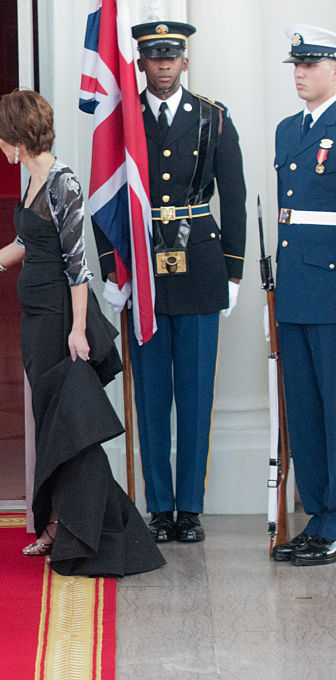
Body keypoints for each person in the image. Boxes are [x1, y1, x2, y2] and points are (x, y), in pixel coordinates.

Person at [0, 90, 164, 577]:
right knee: (53, 425)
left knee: (68, 428)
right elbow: (25, 242)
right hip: (36, 318)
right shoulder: (34, 179)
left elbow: (78, 265)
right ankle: (58, 524)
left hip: (58, 323)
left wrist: (77, 329)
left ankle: (87, 532)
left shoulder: (63, 182)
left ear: (16, 139)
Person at [94, 21, 246, 544]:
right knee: (154, 393)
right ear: (139, 62)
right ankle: (159, 507)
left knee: (196, 393)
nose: (162, 65)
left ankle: (191, 508)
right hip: (144, 266)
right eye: (153, 57)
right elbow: (105, 198)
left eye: (171, 57)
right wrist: (114, 268)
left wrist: (233, 271)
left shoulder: (214, 118)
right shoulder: (124, 120)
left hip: (201, 265)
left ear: (185, 62)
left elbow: (235, 197)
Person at [270, 24, 336, 567]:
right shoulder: (287, 130)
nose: (300, 72)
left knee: (335, 407)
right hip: (294, 286)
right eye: (296, 64)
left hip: (331, 286)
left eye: (311, 64)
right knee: (307, 410)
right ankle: (319, 513)